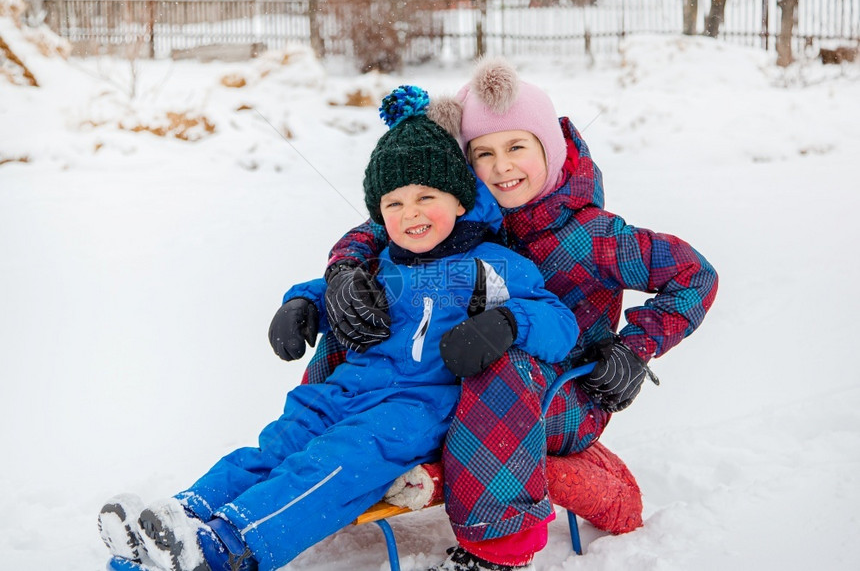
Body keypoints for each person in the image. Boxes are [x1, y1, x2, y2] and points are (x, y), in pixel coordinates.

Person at [97, 85, 579, 571]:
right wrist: (302, 303)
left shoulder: (491, 265)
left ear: (459, 202)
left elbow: (559, 322)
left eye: (426, 197)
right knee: (276, 446)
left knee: (333, 464)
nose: (410, 213)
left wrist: (507, 322)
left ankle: (227, 546)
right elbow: (334, 293)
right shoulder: (384, 262)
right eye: (393, 204)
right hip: (344, 392)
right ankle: (181, 517)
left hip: (416, 408)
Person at [301, 58, 719, 571]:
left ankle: (497, 551)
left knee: (503, 366)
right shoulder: (470, 215)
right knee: (358, 324)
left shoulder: (593, 236)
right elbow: (381, 224)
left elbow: (694, 275)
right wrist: (343, 272)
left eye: (517, 147)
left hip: (563, 395)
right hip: (448, 375)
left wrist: (634, 350)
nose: (501, 168)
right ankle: (312, 468)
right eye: (483, 154)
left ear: (550, 148)